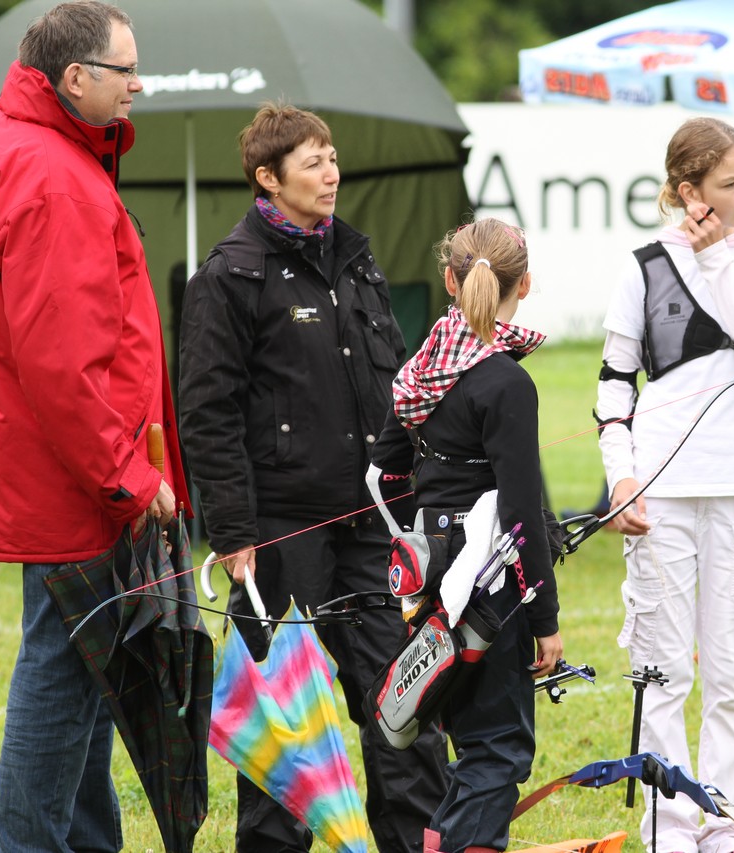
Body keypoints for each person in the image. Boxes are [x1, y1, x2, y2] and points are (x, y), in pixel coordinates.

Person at [0, 2, 187, 850]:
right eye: (126, 72)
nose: (138, 87)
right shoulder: (48, 172)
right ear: (75, 77)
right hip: (73, 473)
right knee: (63, 672)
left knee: (85, 668)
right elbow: (62, 361)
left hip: (32, 462)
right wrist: (127, 472)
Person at [178, 102, 447, 853]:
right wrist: (233, 533)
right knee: (284, 722)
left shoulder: (357, 258)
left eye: (332, 157)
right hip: (278, 535)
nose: (331, 173)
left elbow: (397, 382)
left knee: (404, 705)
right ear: (268, 178)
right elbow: (207, 412)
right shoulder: (231, 276)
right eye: (312, 162)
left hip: (371, 527)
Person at [594, 117, 734, 853]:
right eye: (732, 182)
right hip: (659, 491)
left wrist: (718, 261)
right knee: (661, 667)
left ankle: (724, 822)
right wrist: (621, 477)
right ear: (690, 192)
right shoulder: (642, 265)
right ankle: (669, 828)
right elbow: (614, 384)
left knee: (733, 669)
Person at [371, 217, 562, 853]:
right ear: (525, 284)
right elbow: (521, 514)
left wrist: (427, 538)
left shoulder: (428, 363)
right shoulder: (506, 380)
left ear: (449, 281)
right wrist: (546, 621)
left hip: (428, 571)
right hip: (486, 585)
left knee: (468, 743)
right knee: (498, 750)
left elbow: (385, 469)